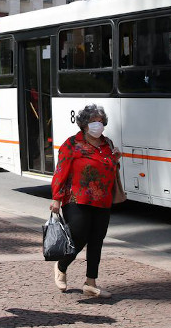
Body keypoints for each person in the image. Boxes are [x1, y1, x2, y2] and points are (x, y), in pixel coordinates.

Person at [49, 104, 121, 298]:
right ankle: (61, 266)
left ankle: (90, 282)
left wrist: (116, 160)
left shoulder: (108, 144)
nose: (98, 124)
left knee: (97, 240)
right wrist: (56, 198)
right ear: (84, 124)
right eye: (93, 121)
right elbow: (60, 172)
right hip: (76, 198)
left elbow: (110, 169)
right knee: (78, 237)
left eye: (100, 121)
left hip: (102, 200)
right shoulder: (71, 144)